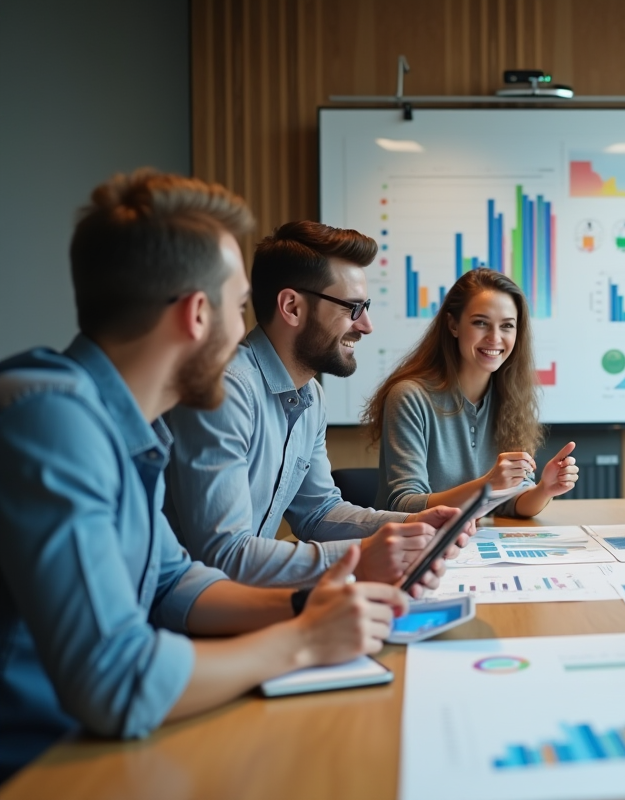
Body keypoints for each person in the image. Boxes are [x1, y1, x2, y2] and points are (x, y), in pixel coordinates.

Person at [0, 171, 408, 781]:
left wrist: (306, 603)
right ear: (197, 315)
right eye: (239, 305)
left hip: (100, 743)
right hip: (41, 765)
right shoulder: (50, 418)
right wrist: (302, 641)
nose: (247, 332)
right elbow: (118, 680)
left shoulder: (131, 427)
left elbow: (174, 584)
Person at [166, 221, 467, 590]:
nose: (367, 325)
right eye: (353, 308)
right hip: (188, 617)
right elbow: (224, 554)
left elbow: (318, 512)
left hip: (242, 601)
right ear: (292, 307)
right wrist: (367, 555)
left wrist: (411, 525)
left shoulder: (311, 394)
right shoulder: (224, 391)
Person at [363, 268, 578, 518]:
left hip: (471, 547)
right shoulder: (409, 397)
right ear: (453, 325)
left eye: (507, 326)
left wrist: (544, 489)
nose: (495, 338)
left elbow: (510, 502)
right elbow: (404, 505)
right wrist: (487, 485)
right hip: (413, 546)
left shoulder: (512, 398)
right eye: (481, 323)